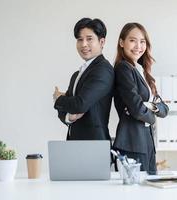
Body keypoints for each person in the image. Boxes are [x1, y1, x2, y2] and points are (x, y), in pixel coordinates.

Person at [113, 23, 169, 175]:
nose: (138, 46)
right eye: (132, 40)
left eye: (142, 41)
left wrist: (149, 106)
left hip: (147, 141)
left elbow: (164, 109)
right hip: (132, 142)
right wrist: (151, 113)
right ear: (121, 42)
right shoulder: (123, 68)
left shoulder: (142, 71)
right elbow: (137, 109)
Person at [53, 18, 114, 141]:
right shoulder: (77, 74)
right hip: (76, 143)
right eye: (80, 39)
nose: (83, 44)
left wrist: (59, 98)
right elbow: (68, 110)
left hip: (95, 144)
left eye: (89, 39)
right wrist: (70, 116)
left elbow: (79, 104)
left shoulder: (103, 70)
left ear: (102, 42)